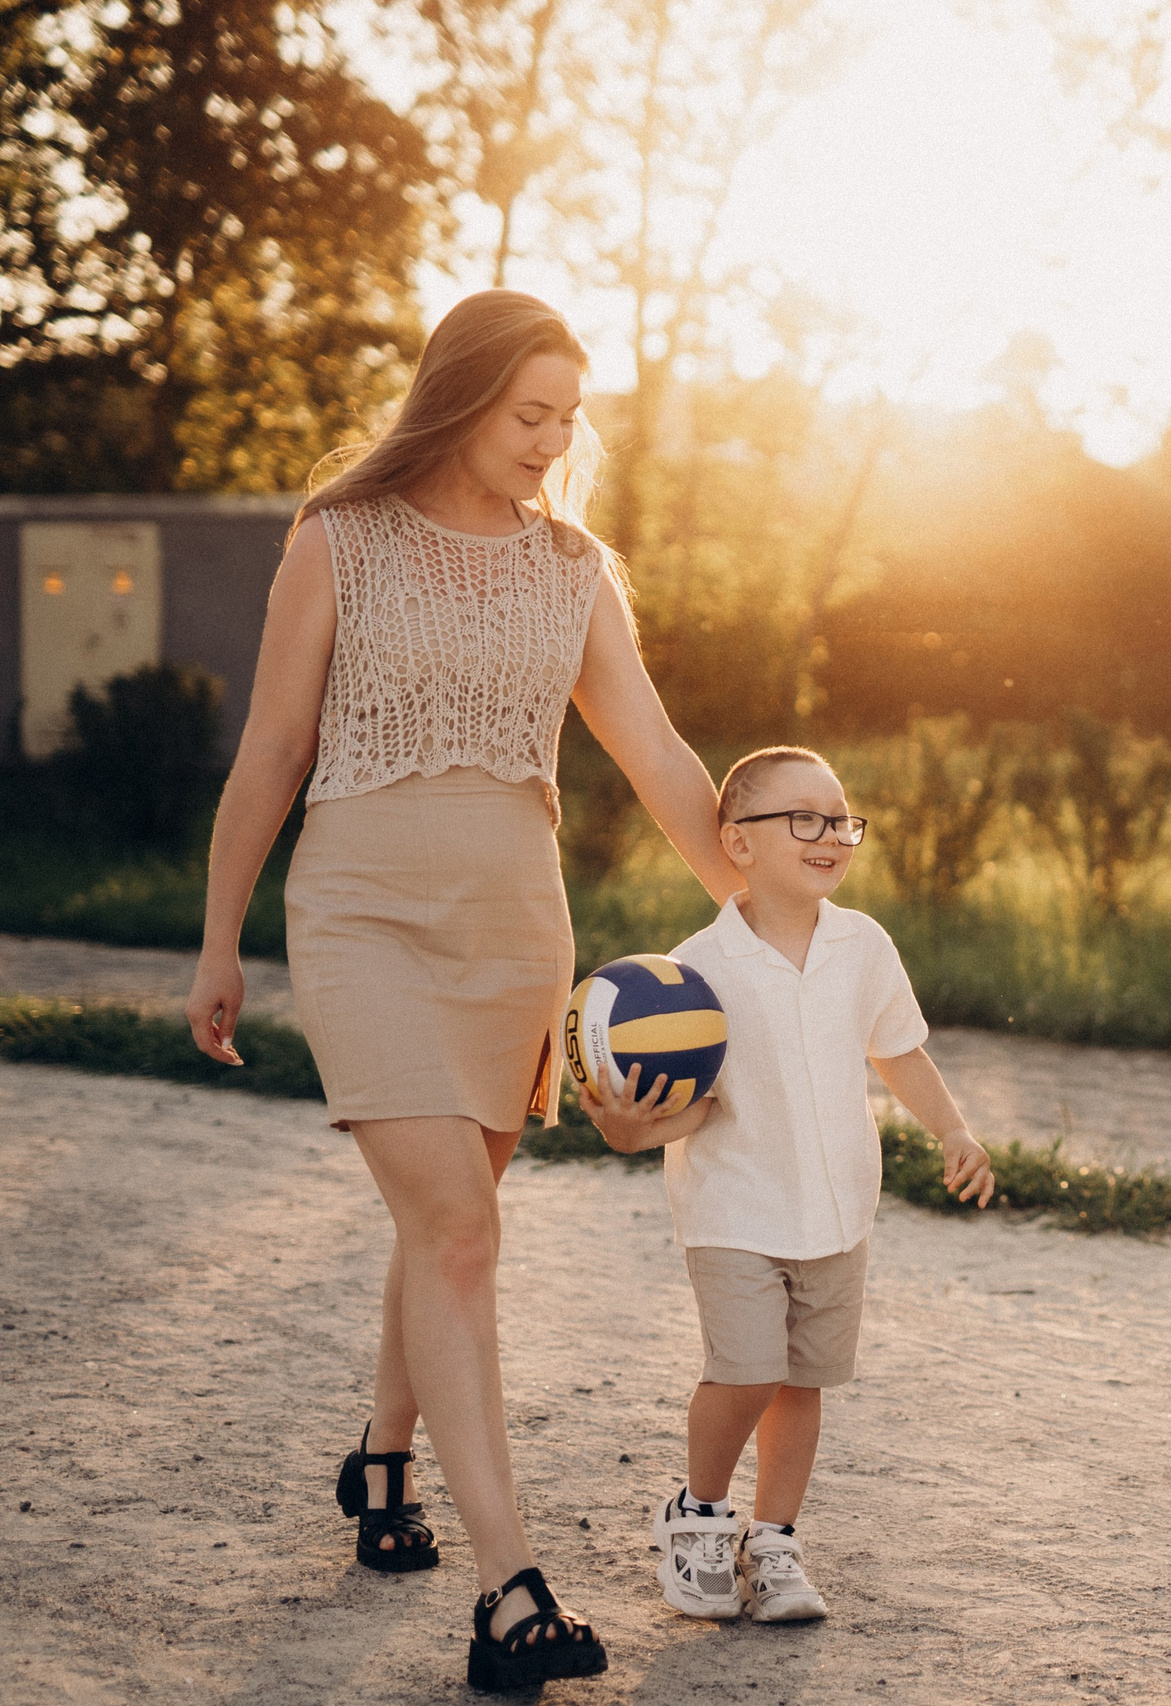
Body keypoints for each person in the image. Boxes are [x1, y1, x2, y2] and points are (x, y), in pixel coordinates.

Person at [184, 291, 742, 1692]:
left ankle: (382, 1460)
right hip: (362, 912)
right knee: (457, 1228)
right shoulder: (341, 536)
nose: (555, 442)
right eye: (529, 414)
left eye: (569, 417)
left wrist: (769, 911)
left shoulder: (574, 568)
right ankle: (511, 1592)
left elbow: (662, 758)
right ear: (461, 397)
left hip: (513, 930)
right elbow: (274, 746)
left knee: (455, 1221)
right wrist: (218, 935)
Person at [579, 744, 997, 1624]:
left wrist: (954, 1129)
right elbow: (697, 1108)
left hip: (838, 1209)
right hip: (735, 1207)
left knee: (801, 1382)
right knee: (748, 1367)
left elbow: (899, 1049)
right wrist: (629, 1130)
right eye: (803, 819)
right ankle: (697, 1517)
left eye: (840, 819)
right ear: (737, 842)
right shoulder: (697, 972)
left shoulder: (863, 945)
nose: (830, 835)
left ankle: (773, 1542)